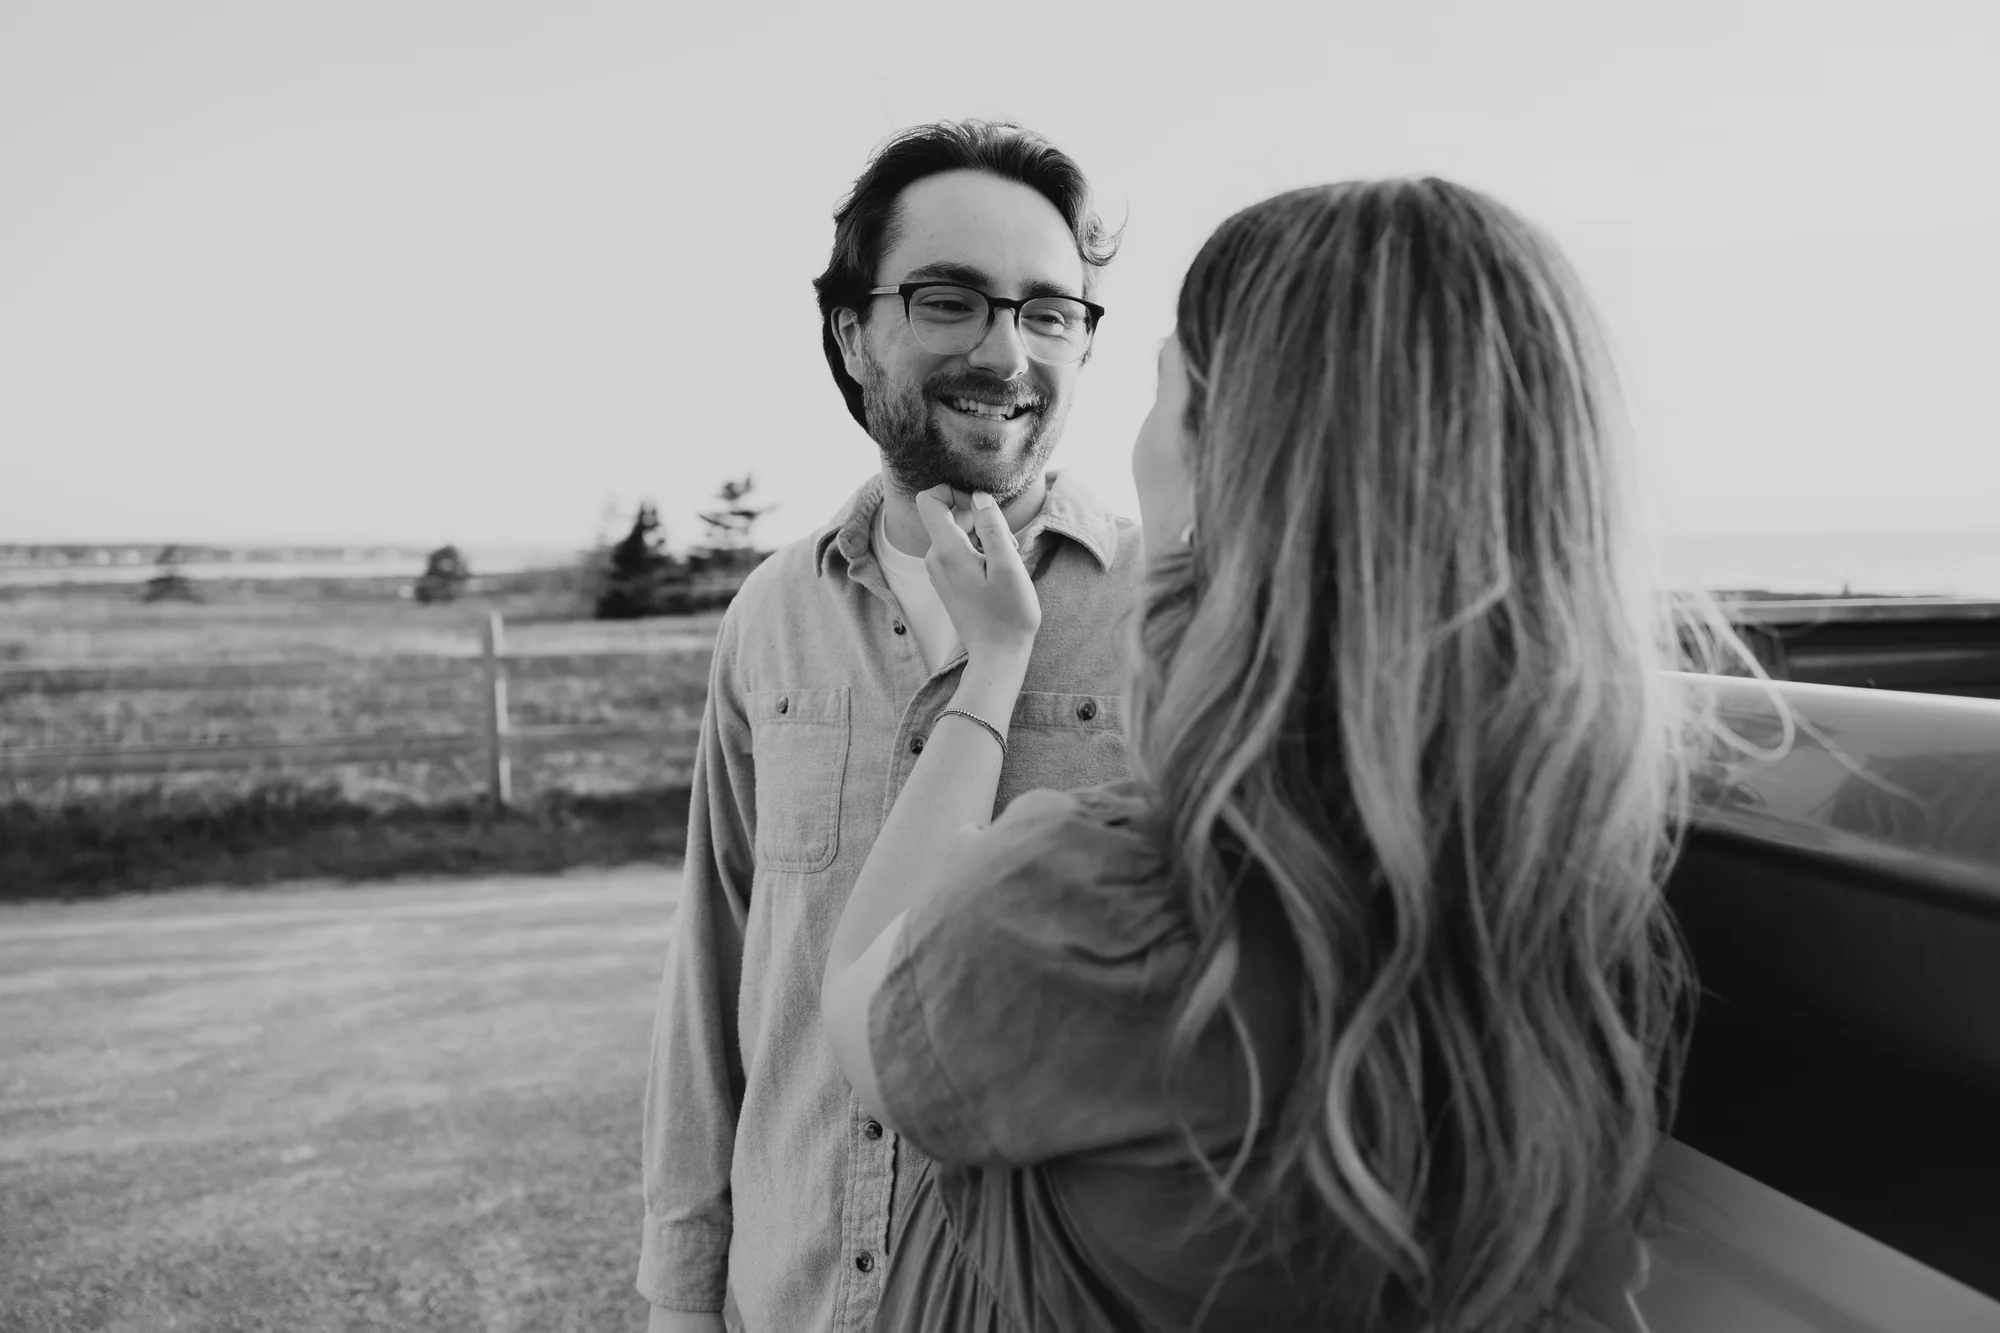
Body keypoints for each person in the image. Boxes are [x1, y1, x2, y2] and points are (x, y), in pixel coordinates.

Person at [822, 177, 1734, 1331]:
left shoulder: (1097, 912)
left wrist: (992, 666)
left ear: (1219, 467)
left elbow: (856, 1011)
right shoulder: (1585, 925)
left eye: (1162, 385)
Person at [638, 120, 1143, 1333]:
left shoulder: (1169, 618)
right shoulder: (772, 614)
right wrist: (682, 1293)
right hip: (792, 1298)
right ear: (852, 334)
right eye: (949, 301)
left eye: (1047, 312)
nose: (1005, 351)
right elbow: (715, 971)